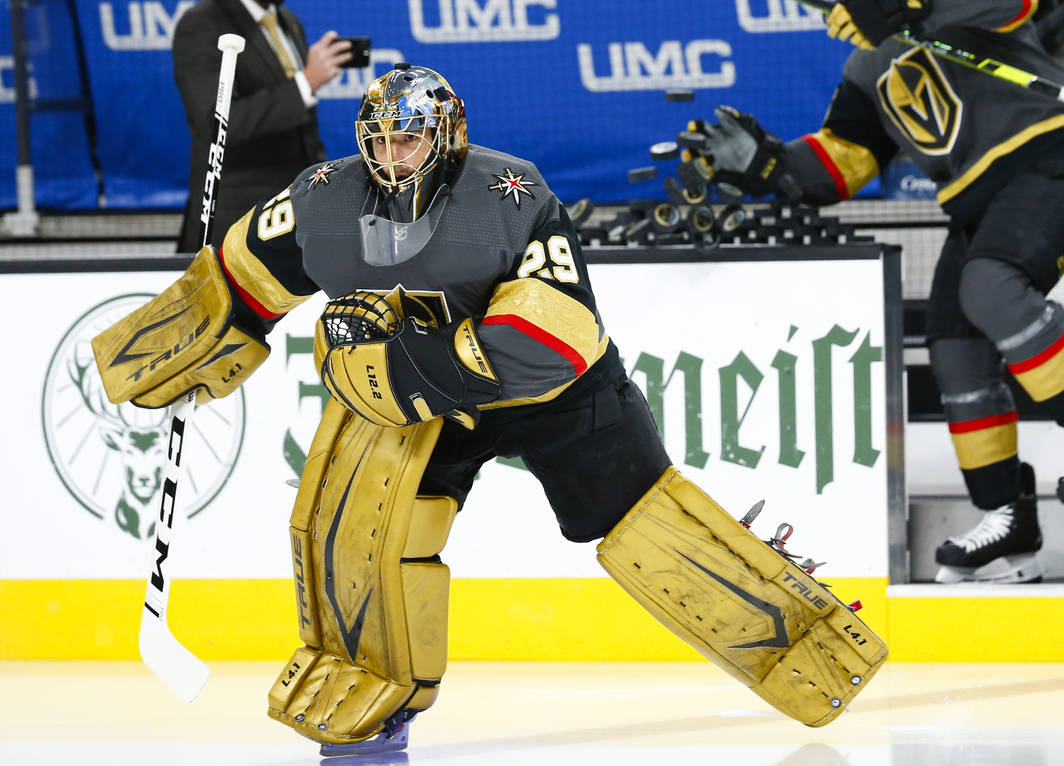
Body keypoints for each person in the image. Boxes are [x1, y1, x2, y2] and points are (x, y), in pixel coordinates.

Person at [91, 64, 887, 756]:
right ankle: (382, 691)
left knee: (649, 522)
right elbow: (239, 278)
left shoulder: (511, 194)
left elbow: (559, 336)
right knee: (360, 532)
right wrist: (191, 345)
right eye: (378, 140)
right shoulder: (322, 200)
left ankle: (799, 634)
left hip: (549, 395)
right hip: (422, 405)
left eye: (408, 140)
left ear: (448, 137)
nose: (391, 157)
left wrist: (394, 364)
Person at [681, 0, 1064, 584]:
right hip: (977, 198)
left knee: (991, 286)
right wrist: (767, 166)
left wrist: (900, 12)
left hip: (1054, 152)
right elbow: (844, 162)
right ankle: (1007, 517)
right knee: (954, 343)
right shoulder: (865, 66)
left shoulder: (947, 8)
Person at [172, 0, 353, 253]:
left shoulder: (287, 19)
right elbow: (216, 123)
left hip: (295, 220)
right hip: (236, 225)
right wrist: (305, 84)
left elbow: (303, 128)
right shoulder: (202, 23)